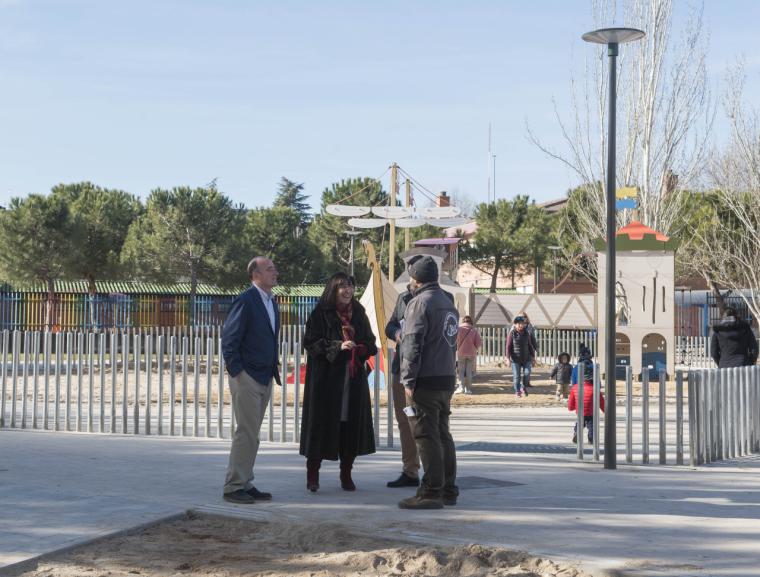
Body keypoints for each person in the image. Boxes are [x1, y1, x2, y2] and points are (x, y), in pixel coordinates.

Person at [299, 272, 377, 493]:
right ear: (333, 289)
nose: (347, 290)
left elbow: (370, 343)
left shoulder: (359, 313)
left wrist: (360, 348)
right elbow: (311, 343)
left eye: (350, 286)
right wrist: (336, 347)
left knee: (349, 426)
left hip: (352, 381)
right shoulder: (320, 313)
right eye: (342, 286)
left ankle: (346, 474)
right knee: (320, 427)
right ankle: (313, 474)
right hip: (326, 382)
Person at [398, 256, 459, 510]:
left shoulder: (419, 303)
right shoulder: (447, 301)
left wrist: (408, 379)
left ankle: (431, 491)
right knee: (443, 433)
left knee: (425, 434)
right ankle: (448, 488)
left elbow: (412, 344)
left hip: (425, 378)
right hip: (445, 377)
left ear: (415, 279)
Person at [221, 256, 281, 504]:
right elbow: (230, 339)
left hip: (264, 375)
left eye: (274, 268)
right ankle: (233, 486)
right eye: (269, 269)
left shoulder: (271, 302)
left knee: (252, 433)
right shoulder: (246, 300)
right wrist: (238, 372)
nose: (275, 272)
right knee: (246, 432)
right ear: (255, 274)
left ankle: (245, 481)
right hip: (247, 377)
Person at [384, 280, 422, 489]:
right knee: (405, 420)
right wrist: (396, 333)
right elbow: (390, 325)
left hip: (426, 372)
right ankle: (410, 470)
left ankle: (437, 473)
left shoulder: (441, 298)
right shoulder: (403, 297)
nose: (411, 280)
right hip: (401, 368)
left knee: (427, 422)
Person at [568, 346, 605, 444]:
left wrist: (572, 406)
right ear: (590, 356)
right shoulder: (593, 366)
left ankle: (577, 431)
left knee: (580, 420)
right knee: (591, 423)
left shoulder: (576, 367)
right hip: (592, 397)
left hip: (579, 396)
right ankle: (591, 438)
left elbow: (574, 382)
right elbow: (598, 385)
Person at [506, 316, 535, 398]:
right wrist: (507, 358)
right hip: (515, 359)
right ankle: (517, 391)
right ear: (515, 325)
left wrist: (533, 357)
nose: (520, 325)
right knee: (517, 376)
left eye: (522, 324)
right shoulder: (512, 334)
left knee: (527, 373)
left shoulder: (527, 333)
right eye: (518, 324)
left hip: (527, 358)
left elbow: (530, 346)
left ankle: (523, 386)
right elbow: (508, 347)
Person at [456, 315, 482, 394]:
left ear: (463, 321)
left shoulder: (459, 329)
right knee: (469, 371)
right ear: (471, 322)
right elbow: (478, 343)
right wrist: (475, 349)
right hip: (471, 353)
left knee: (461, 371)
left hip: (461, 352)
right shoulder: (474, 330)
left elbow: (455, 340)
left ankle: (461, 387)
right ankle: (468, 389)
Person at [518, 312, 538, 387]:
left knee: (527, 370)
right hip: (518, 352)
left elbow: (533, 338)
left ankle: (526, 383)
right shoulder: (514, 327)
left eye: (524, 316)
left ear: (526, 318)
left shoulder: (530, 327)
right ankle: (518, 383)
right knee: (517, 371)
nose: (522, 318)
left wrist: (536, 347)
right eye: (520, 317)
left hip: (528, 351)